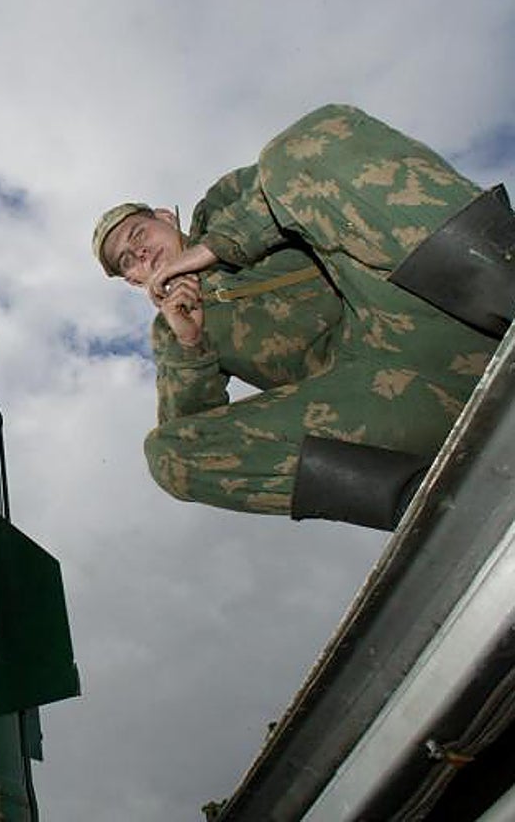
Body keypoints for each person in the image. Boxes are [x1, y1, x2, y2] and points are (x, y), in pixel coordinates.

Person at [91, 104, 515, 531]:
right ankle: (443, 512)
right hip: (390, 400)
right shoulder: (173, 333)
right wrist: (192, 344)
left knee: (295, 149)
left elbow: (302, 168)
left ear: (167, 218)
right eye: (127, 260)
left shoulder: (225, 204)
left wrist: (217, 246)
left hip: (435, 309)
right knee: (168, 455)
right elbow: (195, 433)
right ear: (134, 280)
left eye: (138, 234)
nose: (140, 253)